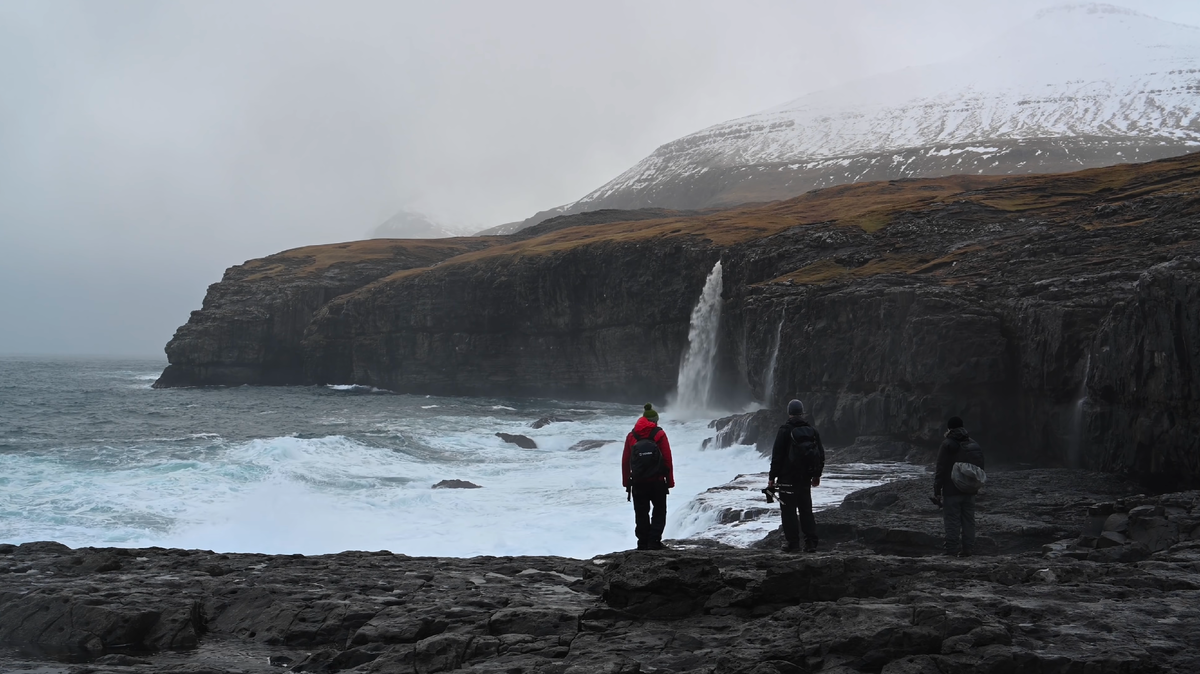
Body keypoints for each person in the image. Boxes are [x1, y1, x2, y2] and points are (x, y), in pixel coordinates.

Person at [768, 399, 825, 552]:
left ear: (789, 413)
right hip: (805, 477)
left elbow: (777, 456)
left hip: (787, 478)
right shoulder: (812, 430)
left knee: (788, 511)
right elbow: (820, 454)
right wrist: (816, 475)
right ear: (802, 412)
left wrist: (771, 478)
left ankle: (793, 544)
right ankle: (811, 543)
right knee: (806, 509)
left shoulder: (784, 430)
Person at [621, 403, 675, 550]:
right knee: (659, 511)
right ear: (655, 420)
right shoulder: (659, 434)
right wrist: (669, 481)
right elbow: (667, 459)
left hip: (638, 482)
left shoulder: (632, 436)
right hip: (657, 482)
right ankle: (654, 541)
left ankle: (642, 543)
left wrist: (626, 482)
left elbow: (626, 460)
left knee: (641, 513)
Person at [933, 416, 985, 557]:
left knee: (952, 520)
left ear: (949, 428)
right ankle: (968, 549)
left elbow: (941, 468)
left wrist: (937, 490)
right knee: (969, 520)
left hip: (952, 490)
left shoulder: (947, 444)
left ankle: (951, 550)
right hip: (970, 490)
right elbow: (980, 468)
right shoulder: (973, 444)